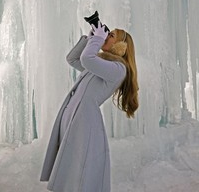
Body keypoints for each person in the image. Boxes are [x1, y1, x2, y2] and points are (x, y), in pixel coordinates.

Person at [40, 22, 139, 192]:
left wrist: (97, 41)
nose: (106, 36)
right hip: (74, 119)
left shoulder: (118, 69)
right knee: (71, 167)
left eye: (111, 35)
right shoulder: (100, 65)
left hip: (85, 123)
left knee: (79, 171)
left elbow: (87, 59)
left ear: (121, 46)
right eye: (107, 34)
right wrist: (90, 39)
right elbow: (72, 59)